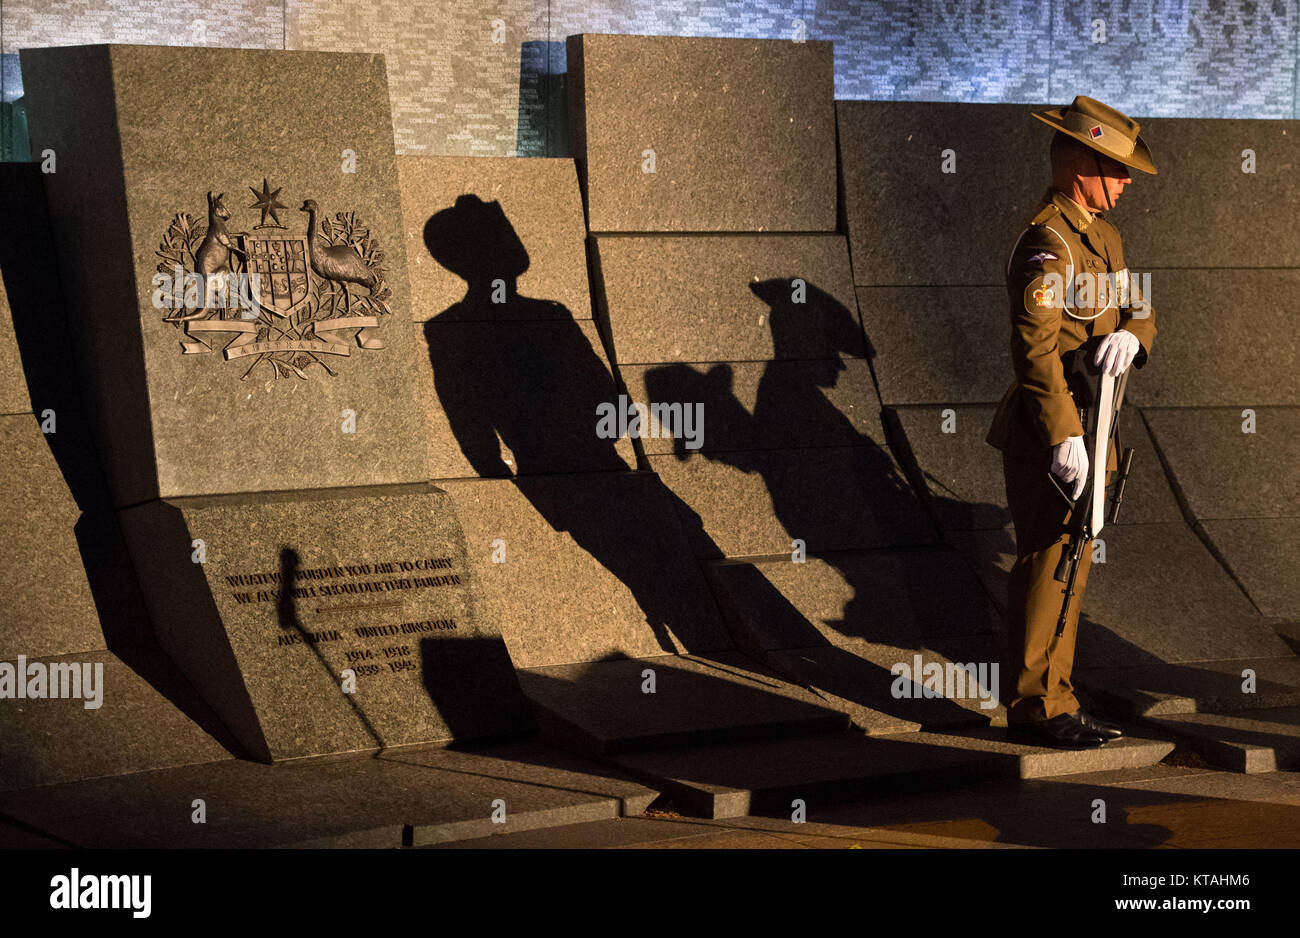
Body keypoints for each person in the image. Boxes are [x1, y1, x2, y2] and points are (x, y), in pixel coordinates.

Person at [986, 95, 1157, 749]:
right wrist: (1063, 434)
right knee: (1048, 561)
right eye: (1116, 170)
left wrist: (1135, 337)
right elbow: (1033, 347)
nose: (1126, 182)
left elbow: (1138, 305)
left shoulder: (1103, 237)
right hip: (1052, 430)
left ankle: (1059, 698)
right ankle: (1038, 708)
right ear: (1081, 163)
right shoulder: (1047, 241)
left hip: (1099, 423)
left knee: (1074, 564)